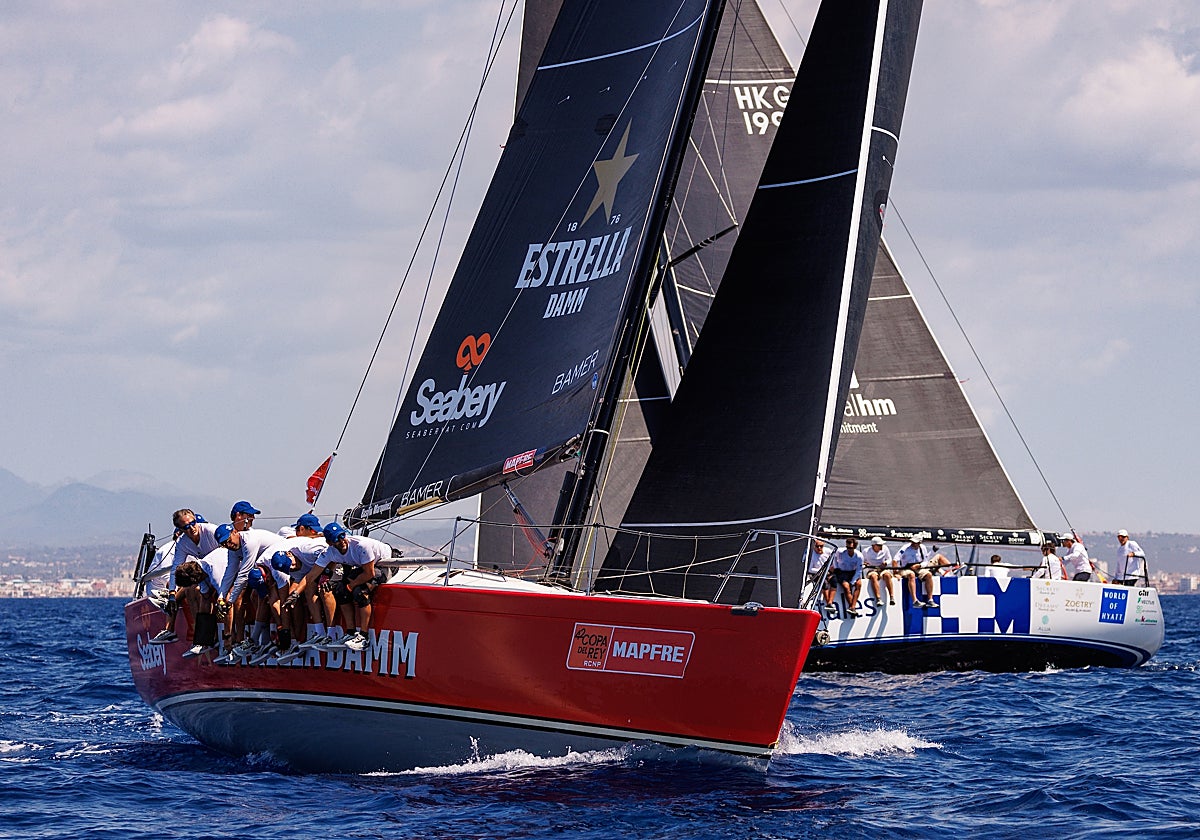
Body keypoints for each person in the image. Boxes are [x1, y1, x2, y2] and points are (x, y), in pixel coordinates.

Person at [148, 510, 221, 644]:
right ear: (180, 529)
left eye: (193, 523)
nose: (192, 528)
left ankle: (227, 638)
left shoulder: (211, 531)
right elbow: (176, 568)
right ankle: (203, 638)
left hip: (224, 569)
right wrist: (171, 594)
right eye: (186, 527)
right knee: (193, 589)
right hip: (207, 573)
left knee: (212, 594)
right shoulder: (183, 543)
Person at [320, 522, 391, 651]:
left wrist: (351, 585)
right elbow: (315, 571)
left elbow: (369, 573)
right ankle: (350, 633)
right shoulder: (331, 551)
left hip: (383, 563)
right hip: (364, 566)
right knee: (341, 591)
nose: (341, 541)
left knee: (360, 592)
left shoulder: (360, 546)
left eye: (342, 536)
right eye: (336, 539)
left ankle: (364, 637)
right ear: (330, 543)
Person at [897, 536, 937, 608]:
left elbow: (925, 561)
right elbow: (895, 559)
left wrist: (919, 565)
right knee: (911, 575)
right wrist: (896, 573)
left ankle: (930, 600)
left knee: (928, 575)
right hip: (906, 568)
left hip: (918, 567)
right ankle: (915, 600)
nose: (913, 544)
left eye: (915, 543)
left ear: (919, 543)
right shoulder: (905, 548)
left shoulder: (922, 548)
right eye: (912, 542)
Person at [829, 537, 865, 618]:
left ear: (854, 547)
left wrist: (853, 581)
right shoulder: (840, 552)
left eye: (851, 548)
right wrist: (836, 567)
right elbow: (834, 558)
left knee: (858, 584)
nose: (848, 549)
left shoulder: (859, 556)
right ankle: (852, 607)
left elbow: (859, 570)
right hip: (842, 572)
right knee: (846, 587)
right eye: (847, 547)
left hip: (853, 572)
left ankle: (852, 606)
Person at [863, 536, 895, 606]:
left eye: (881, 545)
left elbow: (889, 559)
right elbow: (863, 561)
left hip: (883, 569)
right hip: (872, 569)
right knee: (874, 576)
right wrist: (865, 564)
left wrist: (885, 563)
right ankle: (878, 598)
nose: (881, 547)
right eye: (879, 545)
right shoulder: (866, 551)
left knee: (887, 575)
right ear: (874, 546)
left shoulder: (885, 549)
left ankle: (892, 597)